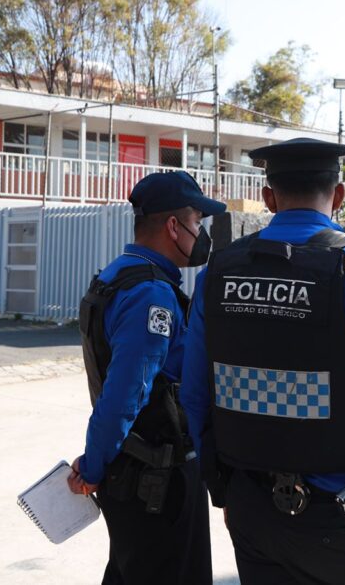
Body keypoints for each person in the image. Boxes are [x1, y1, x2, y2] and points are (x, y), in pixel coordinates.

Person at [181, 137, 345, 585]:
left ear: (269, 197)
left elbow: (193, 396)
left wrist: (225, 490)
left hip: (253, 513)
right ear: (338, 195)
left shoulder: (218, 274)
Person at [68, 171, 225, 585]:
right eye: (198, 222)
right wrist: (94, 464)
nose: (202, 233)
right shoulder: (151, 294)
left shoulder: (116, 276)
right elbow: (125, 392)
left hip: (132, 470)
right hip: (157, 480)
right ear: (174, 226)